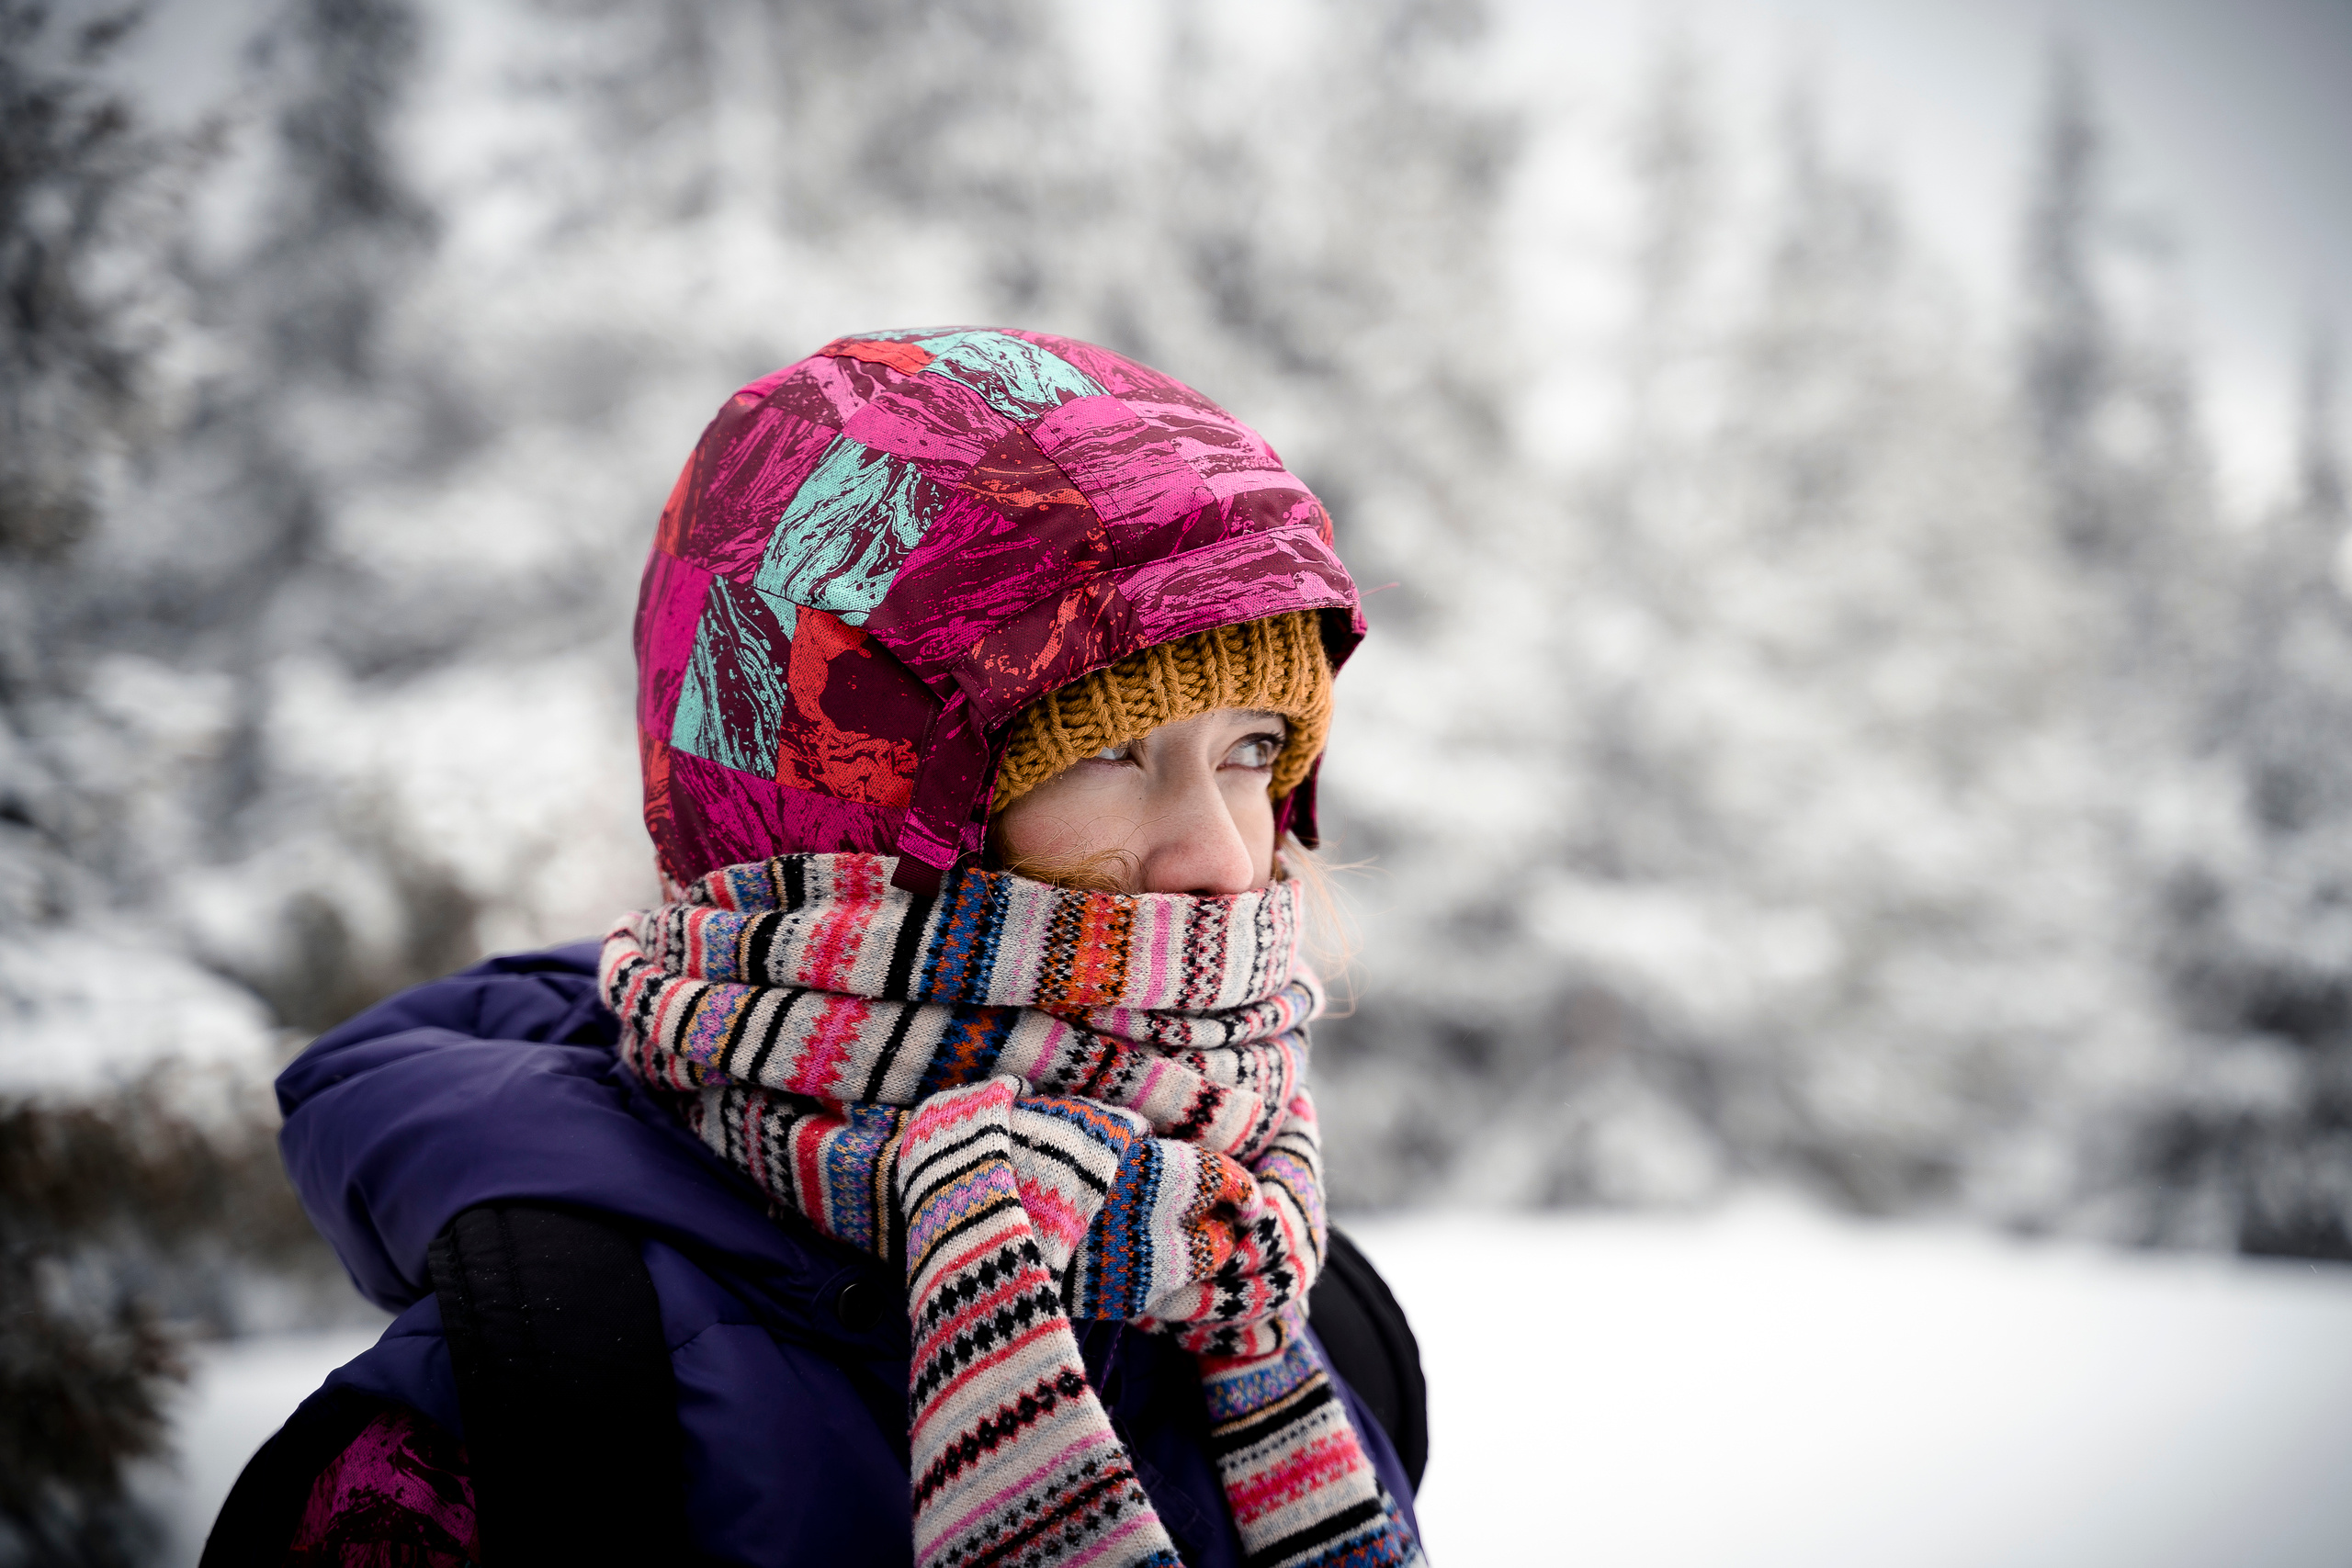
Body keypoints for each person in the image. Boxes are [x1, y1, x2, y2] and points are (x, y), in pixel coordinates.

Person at [204, 328, 1428, 1568]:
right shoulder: (487, 1444)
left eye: (1256, 750)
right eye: (1112, 752)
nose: (1224, 856)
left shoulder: (1263, 1279)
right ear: (848, 803)